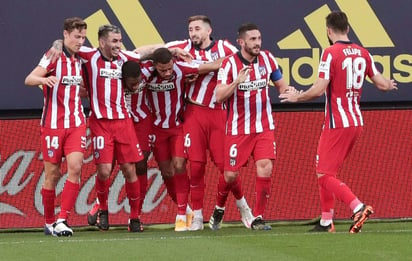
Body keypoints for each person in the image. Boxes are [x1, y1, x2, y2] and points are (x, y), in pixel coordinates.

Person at [279, 11, 398, 233]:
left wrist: (297, 96)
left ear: (328, 31)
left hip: (338, 122)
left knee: (324, 175)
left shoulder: (331, 53)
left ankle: (358, 207)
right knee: (326, 170)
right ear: (348, 29)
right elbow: (382, 84)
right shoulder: (363, 53)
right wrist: (390, 85)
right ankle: (326, 221)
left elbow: (318, 89)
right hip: (355, 121)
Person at [166, 15, 254, 231]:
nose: (193, 33)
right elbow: (150, 52)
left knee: (227, 168)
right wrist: (175, 54)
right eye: (190, 29)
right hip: (194, 112)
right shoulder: (182, 47)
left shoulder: (224, 46)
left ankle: (244, 207)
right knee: (195, 167)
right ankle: (197, 216)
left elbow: (239, 61)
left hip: (218, 113)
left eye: (197, 29)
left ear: (208, 30)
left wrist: (202, 68)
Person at [212, 23, 296, 230]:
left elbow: (281, 85)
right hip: (237, 129)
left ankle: (258, 217)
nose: (257, 43)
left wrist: (290, 92)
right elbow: (218, 96)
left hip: (263, 126)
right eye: (252, 40)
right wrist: (237, 83)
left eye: (259, 38)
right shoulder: (229, 64)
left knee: (265, 167)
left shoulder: (268, 58)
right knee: (230, 175)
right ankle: (219, 208)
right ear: (241, 42)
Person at [140, 47, 222, 231]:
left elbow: (212, 66)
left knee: (179, 165)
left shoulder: (182, 68)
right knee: (167, 172)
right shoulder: (145, 73)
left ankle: (180, 214)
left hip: (177, 127)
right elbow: (131, 59)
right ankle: (187, 212)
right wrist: (173, 49)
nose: (168, 73)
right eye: (163, 70)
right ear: (154, 66)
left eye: (170, 68)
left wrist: (238, 58)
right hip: (156, 129)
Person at [78, 24, 146, 232]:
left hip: (123, 122)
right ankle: (103, 211)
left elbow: (144, 53)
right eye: (114, 41)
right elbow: (69, 46)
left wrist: (173, 51)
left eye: (120, 40)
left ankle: (135, 217)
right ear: (102, 42)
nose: (118, 45)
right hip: (100, 123)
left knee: (129, 169)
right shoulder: (89, 56)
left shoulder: (125, 59)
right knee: (104, 170)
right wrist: (56, 45)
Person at [24, 17, 88, 237]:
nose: (80, 41)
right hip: (52, 124)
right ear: (65, 35)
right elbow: (29, 79)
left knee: (76, 167)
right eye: (77, 37)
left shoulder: (81, 59)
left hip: (77, 122)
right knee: (52, 174)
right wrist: (43, 80)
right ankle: (49, 221)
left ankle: (63, 219)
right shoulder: (54, 55)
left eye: (83, 37)